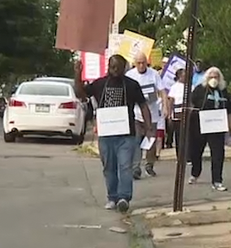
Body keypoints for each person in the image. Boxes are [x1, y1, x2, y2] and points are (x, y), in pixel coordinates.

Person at [74, 55, 151, 213]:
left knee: (125, 166)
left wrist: (148, 126)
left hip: (126, 134)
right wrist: (77, 74)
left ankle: (124, 197)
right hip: (106, 134)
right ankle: (112, 197)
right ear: (108, 67)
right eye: (112, 67)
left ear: (124, 68)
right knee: (109, 167)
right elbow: (81, 94)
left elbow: (143, 105)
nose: (114, 70)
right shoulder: (99, 84)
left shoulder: (132, 85)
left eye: (118, 67)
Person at [189, 67, 231, 190]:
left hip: (217, 125)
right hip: (200, 125)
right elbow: (192, 105)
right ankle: (195, 172)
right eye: (211, 77)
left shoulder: (223, 91)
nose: (214, 79)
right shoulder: (200, 90)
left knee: (218, 153)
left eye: (216, 77)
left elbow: (229, 110)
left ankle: (217, 180)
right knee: (196, 151)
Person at [125, 51, 168, 179]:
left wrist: (165, 106)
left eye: (143, 62)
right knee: (136, 141)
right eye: (138, 63)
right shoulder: (130, 75)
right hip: (137, 114)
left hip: (152, 114)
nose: (141, 65)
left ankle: (149, 165)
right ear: (135, 63)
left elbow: (162, 91)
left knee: (150, 142)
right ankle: (135, 168)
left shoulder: (153, 74)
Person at [166, 69, 186, 154]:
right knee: (179, 135)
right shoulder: (174, 87)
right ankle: (179, 154)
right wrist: (169, 114)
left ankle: (188, 155)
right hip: (177, 113)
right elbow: (171, 100)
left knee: (187, 135)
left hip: (187, 112)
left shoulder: (190, 86)